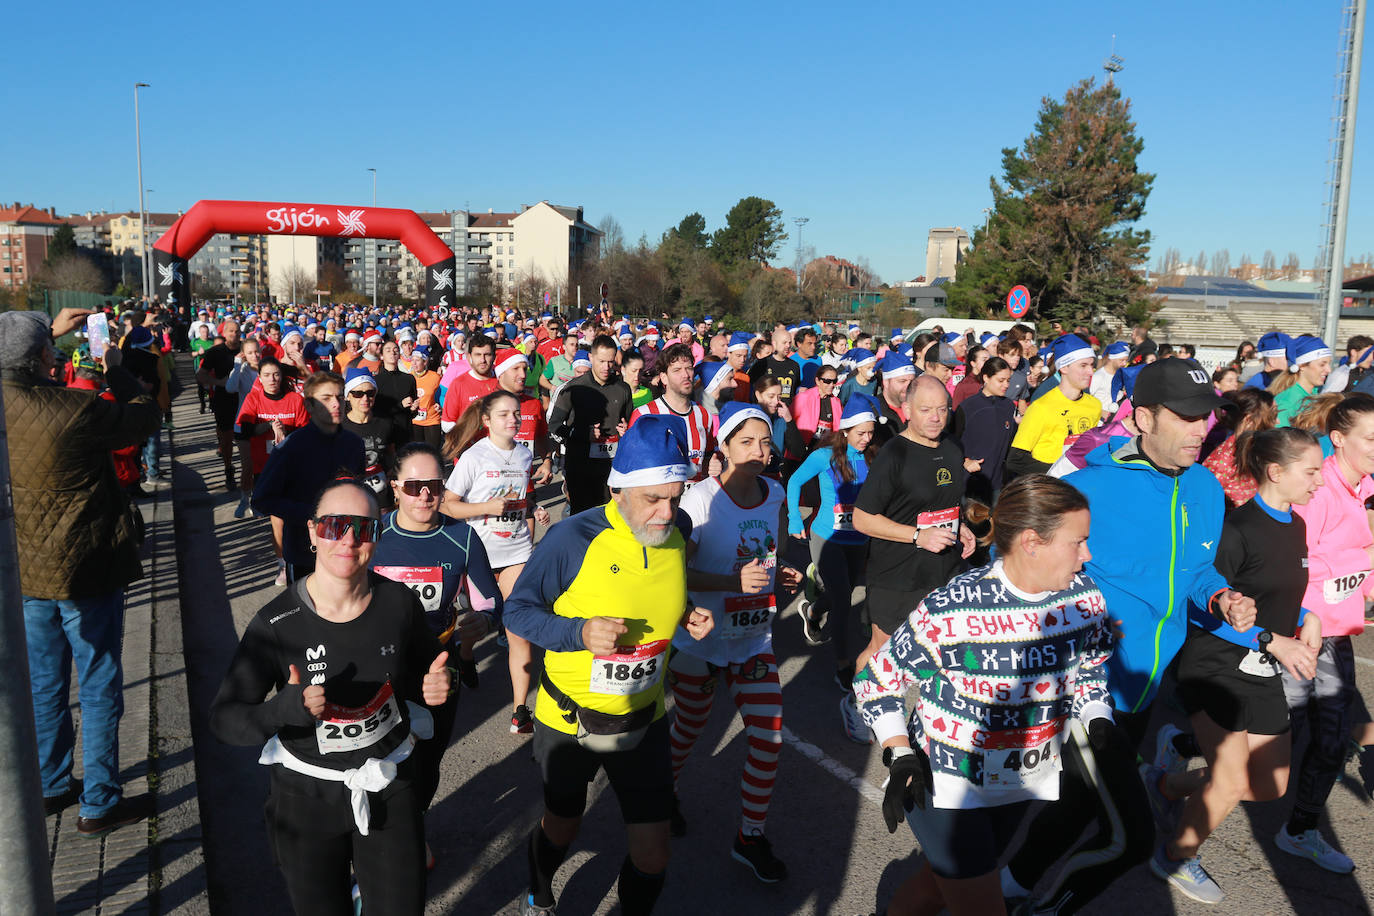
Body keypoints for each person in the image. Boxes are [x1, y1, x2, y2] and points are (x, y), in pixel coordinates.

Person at [1001, 358, 1259, 914]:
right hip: (1084, 689)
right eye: (1186, 417)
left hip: (1145, 685)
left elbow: (1197, 571)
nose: (1201, 429)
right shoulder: (1084, 487)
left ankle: (1009, 885)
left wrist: (1221, 598)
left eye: (1206, 417)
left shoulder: (1206, 488)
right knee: (1124, 833)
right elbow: (1022, 571)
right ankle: (1016, 896)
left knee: (1078, 807)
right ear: (1142, 418)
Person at [853, 474, 1116, 916]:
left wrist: (1096, 714)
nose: (1088, 555)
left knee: (937, 888)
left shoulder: (1085, 599)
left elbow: (1090, 667)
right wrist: (899, 753)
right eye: (1078, 542)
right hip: (946, 786)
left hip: (1023, 780)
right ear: (1032, 542)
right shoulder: (954, 607)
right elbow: (876, 681)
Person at [209, 478, 452, 915]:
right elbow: (224, 718)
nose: (347, 540)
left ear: (377, 537)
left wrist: (437, 682)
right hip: (305, 798)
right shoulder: (275, 623)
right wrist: (286, 709)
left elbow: (426, 667)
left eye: (363, 528)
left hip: (388, 784)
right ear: (311, 532)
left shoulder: (398, 602)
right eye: (335, 525)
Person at [503, 417, 713, 916]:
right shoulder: (574, 537)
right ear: (617, 491)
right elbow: (516, 612)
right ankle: (538, 887)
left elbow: (656, 591)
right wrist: (579, 633)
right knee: (563, 825)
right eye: (653, 499)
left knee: (654, 852)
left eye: (676, 496)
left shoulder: (676, 531)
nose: (667, 512)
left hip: (645, 716)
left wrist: (686, 614)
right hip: (569, 718)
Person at [3, 308, 161, 835]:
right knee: (97, 685)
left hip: (24, 572)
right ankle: (99, 801)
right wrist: (113, 365)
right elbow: (144, 415)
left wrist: (47, 332)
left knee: (45, 684)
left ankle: (51, 785)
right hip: (85, 569)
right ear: (45, 358)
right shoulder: (74, 407)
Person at [1154, 428, 1325, 903]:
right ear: (1276, 472)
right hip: (1215, 665)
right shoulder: (1236, 530)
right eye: (1311, 472)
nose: (1319, 481)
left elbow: (1278, 593)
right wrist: (1273, 641)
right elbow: (1199, 607)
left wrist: (1307, 618)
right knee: (1229, 781)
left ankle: (1168, 783)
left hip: (1264, 667)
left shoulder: (1297, 524)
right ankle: (1174, 855)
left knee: (1267, 788)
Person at [666, 402, 803, 882]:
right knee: (687, 731)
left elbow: (764, 556)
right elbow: (674, 572)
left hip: (751, 640)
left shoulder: (776, 493)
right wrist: (730, 582)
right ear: (722, 448)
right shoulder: (697, 501)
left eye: (765, 442)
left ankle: (750, 836)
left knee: (768, 739)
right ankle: (664, 799)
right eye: (745, 442)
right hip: (700, 639)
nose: (758, 452)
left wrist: (780, 572)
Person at [371, 443, 501, 813]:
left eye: (434, 485)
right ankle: (380, 837)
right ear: (394, 487)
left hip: (439, 666)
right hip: (378, 665)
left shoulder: (461, 538)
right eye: (414, 486)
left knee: (427, 759)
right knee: (377, 755)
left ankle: (413, 826)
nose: (425, 495)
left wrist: (483, 620)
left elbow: (490, 600)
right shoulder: (374, 534)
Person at [849, 376, 976, 743]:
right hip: (896, 571)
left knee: (940, 649)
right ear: (906, 411)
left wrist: (962, 525)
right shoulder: (895, 454)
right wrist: (918, 535)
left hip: (943, 568)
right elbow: (863, 518)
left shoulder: (952, 447)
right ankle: (858, 705)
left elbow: (947, 502)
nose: (936, 418)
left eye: (942, 410)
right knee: (882, 651)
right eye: (926, 410)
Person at [1278, 392, 1374, 874]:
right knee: (1278, 734)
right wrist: (1357, 565)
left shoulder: (1368, 487)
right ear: (1338, 440)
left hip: (1337, 630)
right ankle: (1184, 751)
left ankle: (1299, 830)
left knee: (1331, 739)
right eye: (1371, 440)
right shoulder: (1319, 490)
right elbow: (1296, 560)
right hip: (1300, 628)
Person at [444, 390, 552, 734]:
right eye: (504, 414)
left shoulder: (523, 455)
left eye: (517, 414)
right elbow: (448, 505)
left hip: (517, 552)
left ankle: (520, 710)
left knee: (517, 629)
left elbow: (520, 497)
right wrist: (484, 509)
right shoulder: (474, 458)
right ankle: (465, 654)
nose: (514, 419)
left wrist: (531, 508)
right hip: (478, 555)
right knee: (477, 624)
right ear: (486, 421)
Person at [787, 395, 876, 686]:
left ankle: (811, 611)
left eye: (870, 432)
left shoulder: (872, 455)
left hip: (858, 538)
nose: (866, 438)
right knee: (842, 600)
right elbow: (795, 481)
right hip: (826, 535)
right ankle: (843, 666)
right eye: (860, 433)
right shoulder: (824, 455)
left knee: (844, 591)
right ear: (846, 430)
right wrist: (794, 518)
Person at [252, 372, 366, 582]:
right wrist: (314, 515)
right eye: (326, 399)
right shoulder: (291, 447)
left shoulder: (355, 444)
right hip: (305, 553)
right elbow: (261, 499)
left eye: (340, 397)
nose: (336, 404)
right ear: (310, 406)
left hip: (347, 549)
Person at [236, 358, 310, 582]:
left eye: (276, 374)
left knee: (296, 519)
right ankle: (282, 565)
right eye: (267, 375)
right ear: (259, 378)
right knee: (277, 521)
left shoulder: (295, 399)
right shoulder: (254, 398)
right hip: (265, 468)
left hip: (293, 466)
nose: (272, 379)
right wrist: (269, 425)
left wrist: (286, 433)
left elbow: (306, 434)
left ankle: (299, 559)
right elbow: (245, 429)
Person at [548, 334, 635, 514]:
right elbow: (554, 425)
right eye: (601, 361)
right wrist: (580, 434)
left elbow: (629, 423)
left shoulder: (623, 389)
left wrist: (627, 431)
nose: (606, 367)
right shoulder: (573, 388)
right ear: (591, 358)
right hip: (580, 467)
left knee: (609, 521)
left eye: (611, 362)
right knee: (582, 522)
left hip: (611, 467)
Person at [1007, 335, 1102, 477]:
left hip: (1081, 488)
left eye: (1091, 365)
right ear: (1064, 368)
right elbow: (1015, 460)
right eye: (1083, 365)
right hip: (1050, 490)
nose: (1090, 372)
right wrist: (1060, 472)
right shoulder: (1041, 406)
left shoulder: (1094, 405)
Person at [631, 343, 716, 489]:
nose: (686, 375)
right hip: (659, 504)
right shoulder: (644, 415)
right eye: (677, 370)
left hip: (695, 505)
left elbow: (707, 460)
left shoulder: (704, 415)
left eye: (689, 368)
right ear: (663, 378)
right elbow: (631, 467)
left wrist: (714, 467)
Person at [953, 356, 1016, 505]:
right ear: (986, 378)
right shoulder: (968, 407)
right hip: (972, 484)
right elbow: (952, 441)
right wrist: (965, 461)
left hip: (998, 485)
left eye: (1008, 380)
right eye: (1001, 380)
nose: (1006, 385)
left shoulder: (1008, 406)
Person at [1202, 388, 1277, 508]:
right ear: (1249, 420)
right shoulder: (1220, 464)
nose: (1277, 421)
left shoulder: (1262, 452)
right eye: (1273, 416)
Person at [197, 318, 244, 490]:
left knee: (247, 438)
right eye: (231, 331)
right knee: (226, 438)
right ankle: (228, 469)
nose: (235, 334)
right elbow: (200, 376)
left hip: (245, 399)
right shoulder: (215, 352)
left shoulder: (246, 349)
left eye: (237, 331)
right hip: (223, 399)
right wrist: (219, 382)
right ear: (224, 334)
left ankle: (250, 472)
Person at [341, 367, 396, 513]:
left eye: (370, 393)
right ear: (348, 396)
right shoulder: (339, 428)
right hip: (351, 498)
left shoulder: (385, 424)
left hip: (382, 498)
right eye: (358, 394)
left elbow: (391, 455)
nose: (365, 398)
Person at [441, 334, 499, 432]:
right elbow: (447, 424)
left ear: (494, 356)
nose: (482, 360)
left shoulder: (501, 381)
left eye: (487, 355)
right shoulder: (458, 384)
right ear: (469, 356)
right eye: (478, 355)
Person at [1272, 336, 1332, 426]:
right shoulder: (1286, 402)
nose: (1329, 370)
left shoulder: (1314, 393)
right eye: (1322, 365)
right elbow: (1279, 438)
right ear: (1302, 366)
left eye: (1329, 364)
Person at [870, 352, 916, 450]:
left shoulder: (920, 408)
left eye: (911, 382)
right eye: (902, 381)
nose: (908, 387)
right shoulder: (871, 411)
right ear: (886, 382)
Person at [376, 339, 418, 444]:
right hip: (384, 433)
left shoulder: (409, 379)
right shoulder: (375, 381)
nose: (393, 352)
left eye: (395, 350)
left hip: (405, 432)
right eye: (388, 350)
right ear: (381, 356)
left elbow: (413, 410)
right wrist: (400, 406)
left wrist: (413, 409)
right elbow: (376, 411)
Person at [747, 326, 802, 407]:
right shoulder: (762, 364)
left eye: (789, 343)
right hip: (766, 411)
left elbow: (794, 390)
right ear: (774, 343)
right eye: (784, 342)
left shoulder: (794, 365)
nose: (788, 346)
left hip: (785, 413)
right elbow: (751, 388)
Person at [408, 351, 443, 450]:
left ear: (425, 362)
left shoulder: (435, 377)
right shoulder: (408, 377)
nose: (414, 363)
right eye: (412, 360)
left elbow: (444, 394)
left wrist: (440, 406)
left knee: (432, 452)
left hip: (432, 419)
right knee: (418, 452)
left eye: (417, 360)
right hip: (415, 420)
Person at [1090, 341, 1131, 418]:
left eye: (1126, 360)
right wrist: (1102, 412)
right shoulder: (1099, 376)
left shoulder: (1121, 375)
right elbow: (1086, 399)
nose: (1124, 364)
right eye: (1121, 360)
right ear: (1112, 358)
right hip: (1100, 421)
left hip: (1115, 420)